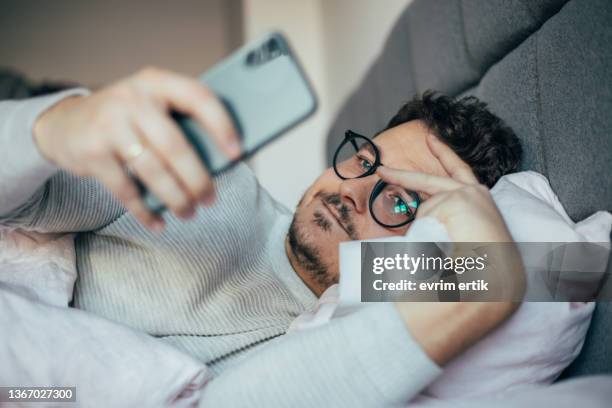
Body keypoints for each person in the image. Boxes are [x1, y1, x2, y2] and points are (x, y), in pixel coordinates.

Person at [0, 68, 525, 406]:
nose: (352, 192)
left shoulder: (352, 328)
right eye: (365, 161)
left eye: (399, 199)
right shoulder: (215, 186)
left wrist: (483, 280)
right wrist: (56, 126)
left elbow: (580, 273)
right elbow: (26, 203)